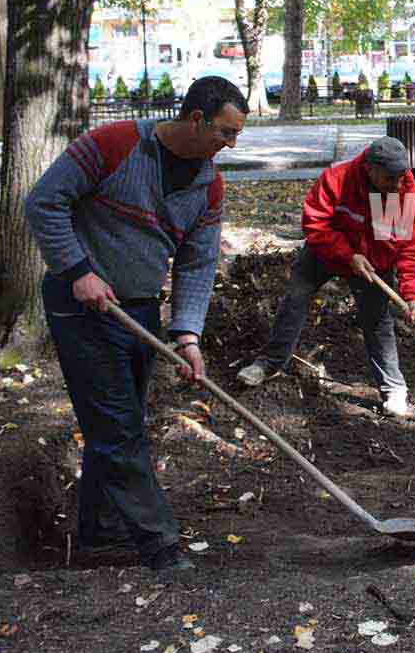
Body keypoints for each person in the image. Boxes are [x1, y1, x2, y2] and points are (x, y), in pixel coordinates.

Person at [26, 76, 249, 573]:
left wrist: (187, 334)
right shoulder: (114, 144)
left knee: (118, 426)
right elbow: (44, 202)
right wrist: (78, 270)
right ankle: (160, 546)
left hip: (139, 311)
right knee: (118, 427)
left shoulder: (208, 186)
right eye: (225, 133)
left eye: (236, 136)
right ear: (196, 119)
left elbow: (197, 262)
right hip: (80, 306)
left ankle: (99, 536)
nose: (230, 145)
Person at [236, 137, 415, 418]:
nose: (398, 184)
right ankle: (269, 363)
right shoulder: (337, 180)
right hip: (326, 251)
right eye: (390, 178)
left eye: (402, 177)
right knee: (295, 299)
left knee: (376, 321)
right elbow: (315, 223)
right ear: (369, 169)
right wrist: (347, 255)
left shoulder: (404, 196)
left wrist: (413, 295)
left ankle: (393, 389)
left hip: (374, 263)